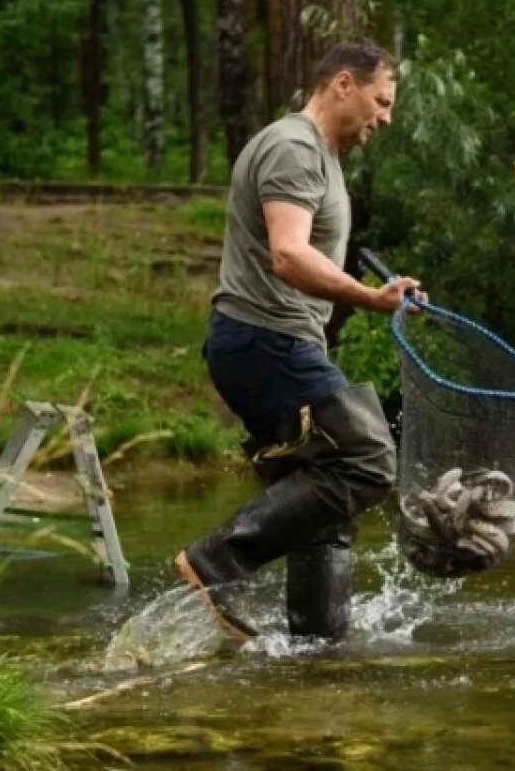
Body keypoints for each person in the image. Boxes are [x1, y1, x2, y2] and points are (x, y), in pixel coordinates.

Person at [175, 40, 422, 643]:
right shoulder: (293, 148)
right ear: (343, 84)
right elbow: (288, 256)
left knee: (323, 507)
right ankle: (217, 562)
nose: (385, 117)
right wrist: (369, 298)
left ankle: (317, 652)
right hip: (266, 341)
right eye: (381, 100)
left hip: (269, 343)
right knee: (366, 459)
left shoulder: (319, 156)